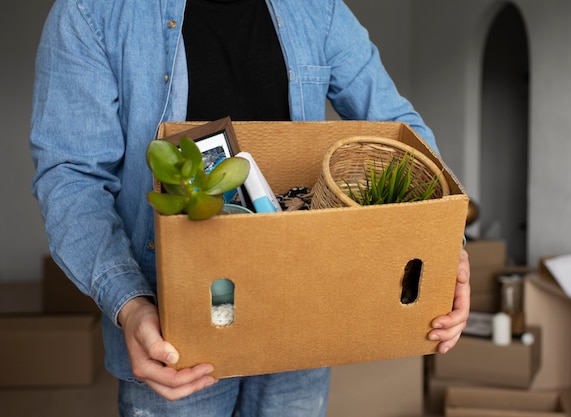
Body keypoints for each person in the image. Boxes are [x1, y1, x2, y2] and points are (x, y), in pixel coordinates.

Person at [30, 0, 471, 415]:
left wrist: (446, 246)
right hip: (174, 327)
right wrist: (130, 303)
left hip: (302, 305)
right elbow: (72, 175)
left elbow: (400, 129)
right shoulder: (93, 12)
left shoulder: (318, 10)